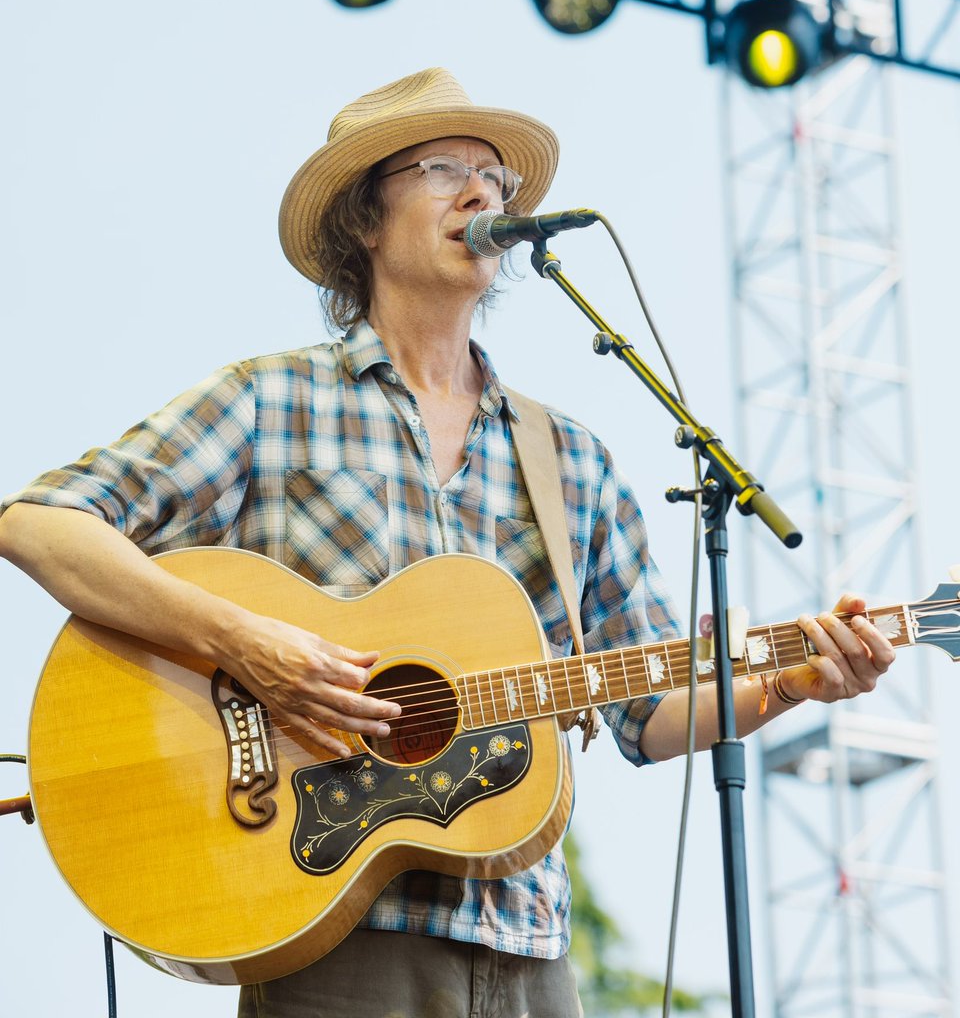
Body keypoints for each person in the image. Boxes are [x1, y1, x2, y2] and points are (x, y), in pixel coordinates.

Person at [0, 67, 895, 1018]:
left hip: (528, 940)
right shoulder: (269, 402)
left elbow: (652, 713)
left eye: (496, 180)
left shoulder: (572, 462)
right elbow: (40, 522)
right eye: (441, 169)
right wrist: (244, 644)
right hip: (336, 932)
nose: (482, 194)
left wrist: (792, 683)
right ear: (363, 221)